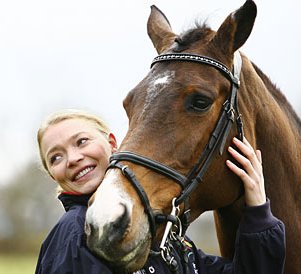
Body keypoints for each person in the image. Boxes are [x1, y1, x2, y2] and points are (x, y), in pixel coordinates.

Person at [35, 109, 285, 274]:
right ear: (52, 174)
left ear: (112, 143)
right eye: (56, 157)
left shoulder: (160, 228)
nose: (73, 159)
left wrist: (258, 211)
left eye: (81, 142)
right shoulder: (75, 232)